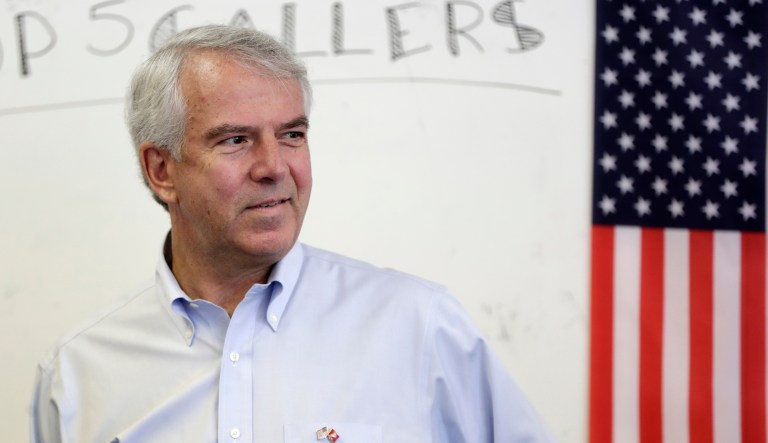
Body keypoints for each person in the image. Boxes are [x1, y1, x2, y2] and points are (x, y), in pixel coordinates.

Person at [31, 25, 553, 443]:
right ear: (161, 170)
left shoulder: (419, 326)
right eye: (236, 140)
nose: (275, 167)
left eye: (292, 135)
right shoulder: (77, 374)